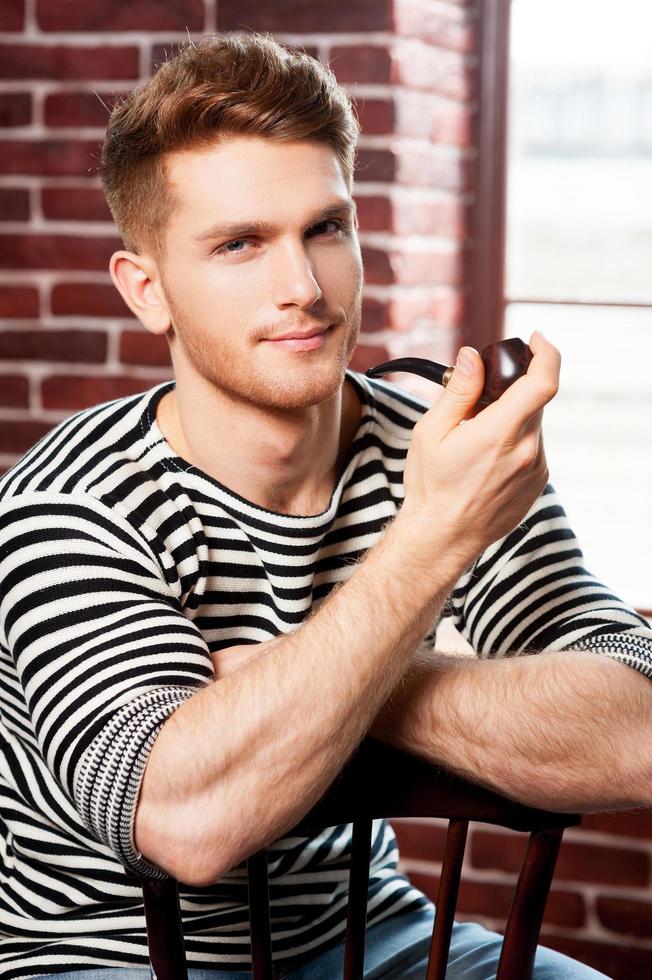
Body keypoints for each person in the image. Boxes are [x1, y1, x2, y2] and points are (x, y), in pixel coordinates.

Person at [0, 32, 650, 980]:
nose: (303, 289)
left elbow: (634, 736)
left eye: (325, 229)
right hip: (110, 959)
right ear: (148, 291)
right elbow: (187, 822)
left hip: (373, 937)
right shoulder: (71, 503)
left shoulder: (438, 443)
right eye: (239, 244)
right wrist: (431, 545)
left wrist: (356, 683)